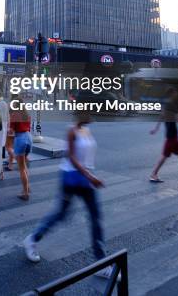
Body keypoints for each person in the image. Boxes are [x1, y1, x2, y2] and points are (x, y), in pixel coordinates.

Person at [23, 111, 111, 278]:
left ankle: (101, 263)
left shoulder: (86, 130)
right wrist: (91, 176)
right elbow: (71, 157)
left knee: (95, 217)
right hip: (71, 179)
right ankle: (32, 239)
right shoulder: (72, 131)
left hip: (85, 179)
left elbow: (86, 157)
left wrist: (90, 174)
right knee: (61, 215)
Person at [10, 99, 33, 200]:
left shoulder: (14, 115)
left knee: (21, 168)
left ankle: (25, 193)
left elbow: (11, 130)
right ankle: (27, 186)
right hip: (29, 137)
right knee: (24, 165)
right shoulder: (27, 114)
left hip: (20, 138)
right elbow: (29, 128)